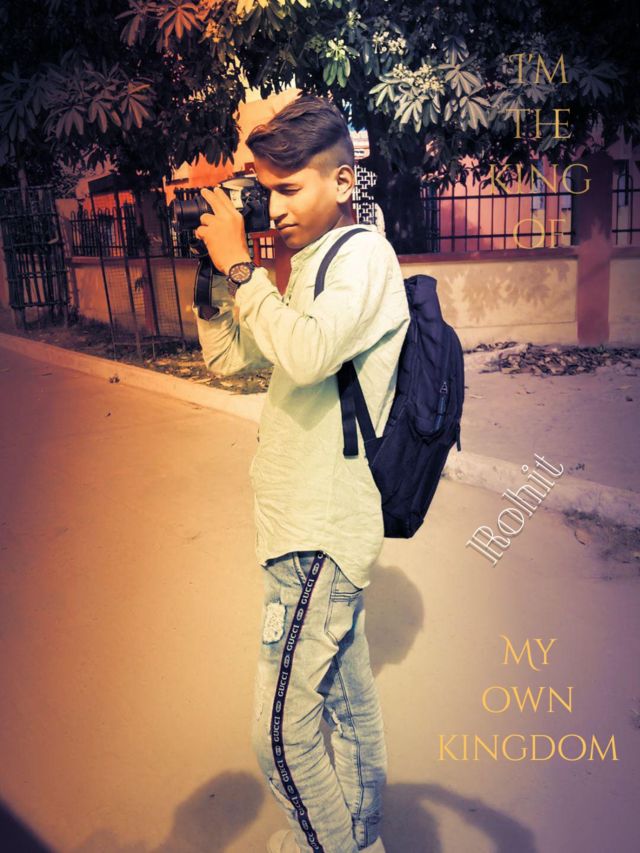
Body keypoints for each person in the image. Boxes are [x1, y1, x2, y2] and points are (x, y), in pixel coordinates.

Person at [193, 94, 410, 853]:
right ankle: (359, 838)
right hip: (301, 528)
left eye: (289, 188)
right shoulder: (308, 268)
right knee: (348, 710)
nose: (274, 208)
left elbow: (310, 353)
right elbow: (232, 357)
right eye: (266, 191)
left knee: (280, 736)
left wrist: (241, 264)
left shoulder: (364, 258)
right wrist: (212, 278)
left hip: (319, 531)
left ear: (343, 181)